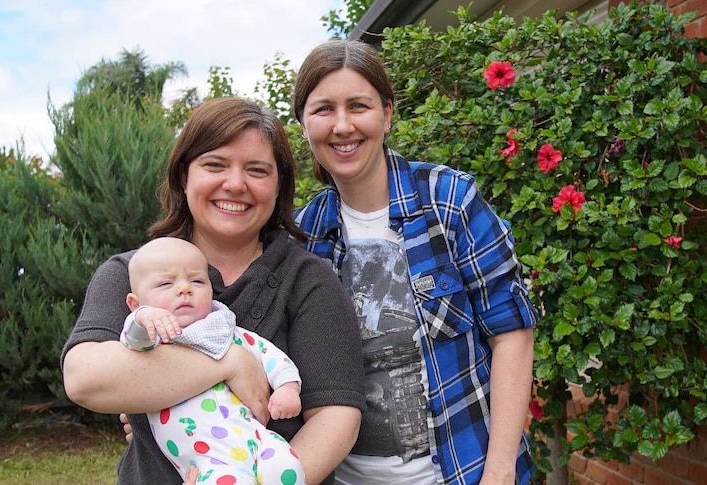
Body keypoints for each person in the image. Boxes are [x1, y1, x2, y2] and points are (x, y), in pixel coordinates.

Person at [61, 96, 366, 485]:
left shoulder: (309, 280)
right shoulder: (130, 272)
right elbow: (86, 378)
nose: (235, 184)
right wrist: (229, 362)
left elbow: (336, 416)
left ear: (279, 186)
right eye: (214, 165)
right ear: (184, 175)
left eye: (257, 170)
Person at [291, 39, 537, 485]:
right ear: (304, 123)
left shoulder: (450, 202)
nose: (342, 125)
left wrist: (499, 470)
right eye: (324, 109)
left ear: (386, 113)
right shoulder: (302, 236)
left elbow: (512, 332)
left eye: (358, 106)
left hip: (464, 471)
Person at [119, 236, 305, 484]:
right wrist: (144, 316)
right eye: (165, 283)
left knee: (287, 467)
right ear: (135, 303)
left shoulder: (227, 331)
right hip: (208, 461)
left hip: (256, 439)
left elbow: (270, 355)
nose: (184, 289)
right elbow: (132, 340)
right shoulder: (153, 338)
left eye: (197, 281)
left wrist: (287, 388)